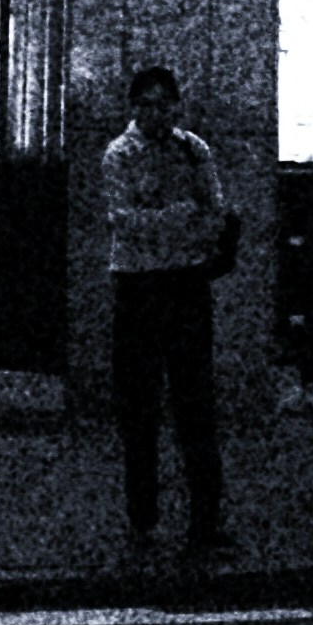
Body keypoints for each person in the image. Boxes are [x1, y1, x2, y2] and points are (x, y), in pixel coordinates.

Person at [99, 61, 239, 558]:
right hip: (140, 282)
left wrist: (193, 225)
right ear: (134, 107)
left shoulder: (192, 148)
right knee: (140, 407)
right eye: (147, 104)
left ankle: (205, 519)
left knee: (195, 403)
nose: (157, 113)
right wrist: (175, 219)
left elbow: (215, 207)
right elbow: (120, 218)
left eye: (165, 104)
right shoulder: (121, 154)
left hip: (183, 281)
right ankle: (144, 520)